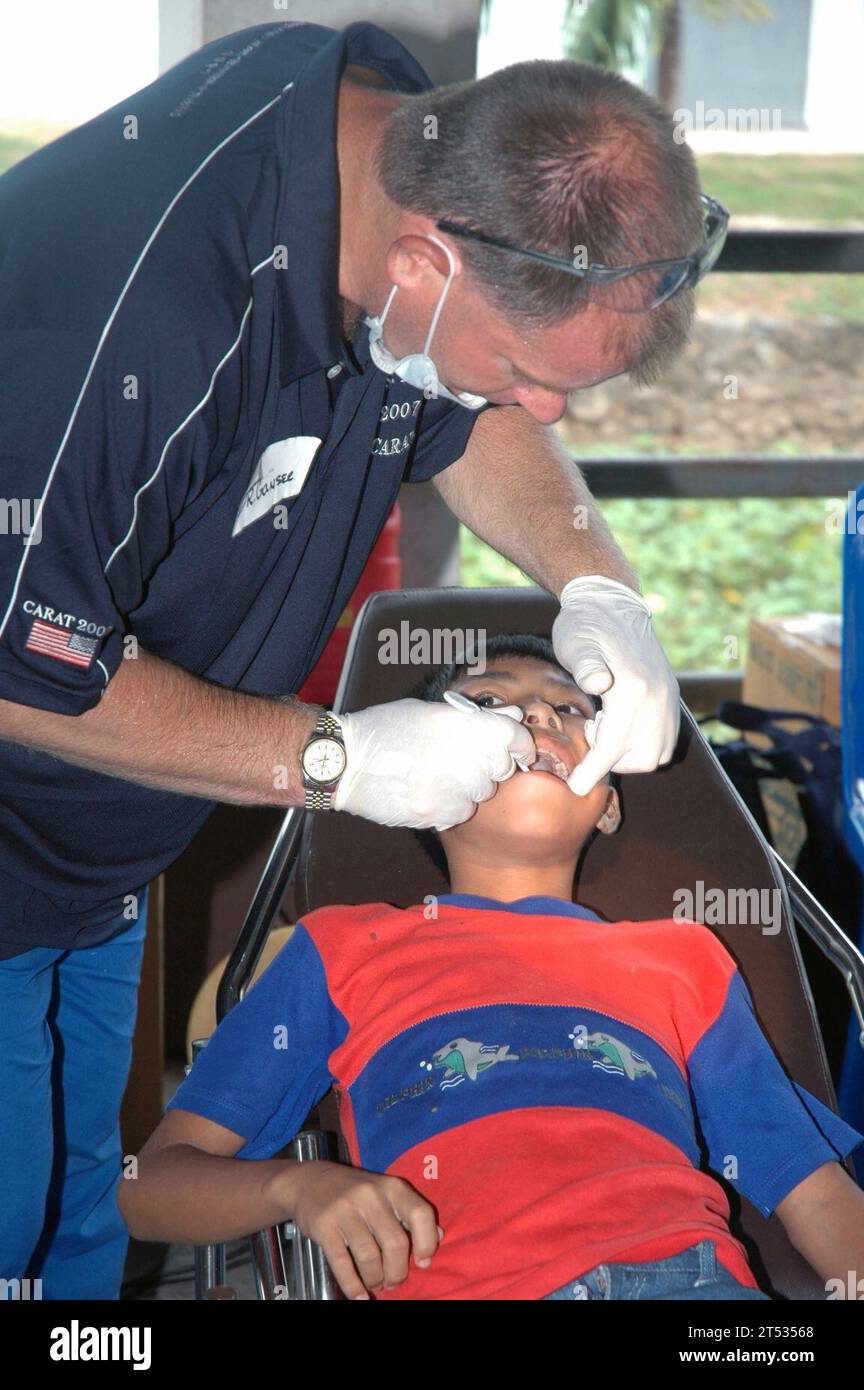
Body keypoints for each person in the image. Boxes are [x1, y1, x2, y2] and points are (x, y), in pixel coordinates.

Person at [0, 18, 725, 1297]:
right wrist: (331, 756)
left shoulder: (402, 133)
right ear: (420, 262)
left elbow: (469, 409)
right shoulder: (126, 314)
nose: (540, 420)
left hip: (100, 852)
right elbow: (22, 661)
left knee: (78, 1229)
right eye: (525, 375)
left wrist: (597, 581)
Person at [119, 635, 864, 1301]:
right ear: (420, 776)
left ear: (607, 800)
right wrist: (297, 1185)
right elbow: (150, 1187)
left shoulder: (683, 959)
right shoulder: (341, 951)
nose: (537, 719)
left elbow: (817, 1196)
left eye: (572, 711)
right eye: (489, 704)